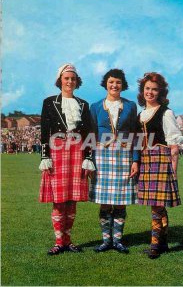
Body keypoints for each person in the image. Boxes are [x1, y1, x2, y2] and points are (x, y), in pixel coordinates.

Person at [39, 63, 93, 255]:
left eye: (73, 78)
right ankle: (59, 241)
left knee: (72, 200)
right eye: (66, 78)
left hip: (78, 152)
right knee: (58, 200)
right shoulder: (49, 102)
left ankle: (68, 240)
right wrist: (45, 157)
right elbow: (45, 132)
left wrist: (88, 158)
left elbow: (88, 134)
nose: (70, 81)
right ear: (60, 80)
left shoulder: (84, 104)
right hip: (57, 152)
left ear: (77, 82)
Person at [90, 69, 139, 254]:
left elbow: (135, 135)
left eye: (118, 82)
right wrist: (90, 161)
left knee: (120, 201)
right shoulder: (95, 107)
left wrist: (135, 160)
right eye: (111, 82)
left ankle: (118, 240)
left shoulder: (130, 106)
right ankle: (105, 240)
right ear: (106, 83)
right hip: (102, 157)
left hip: (124, 156)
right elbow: (91, 135)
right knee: (104, 202)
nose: (114, 85)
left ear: (122, 85)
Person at [137, 72, 183, 259]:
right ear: (143, 90)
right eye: (147, 88)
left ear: (160, 92)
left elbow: (174, 145)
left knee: (157, 205)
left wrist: (174, 168)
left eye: (154, 89)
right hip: (146, 160)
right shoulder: (140, 114)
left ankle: (155, 244)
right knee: (156, 205)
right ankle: (163, 242)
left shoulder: (166, 113)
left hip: (160, 159)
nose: (150, 92)